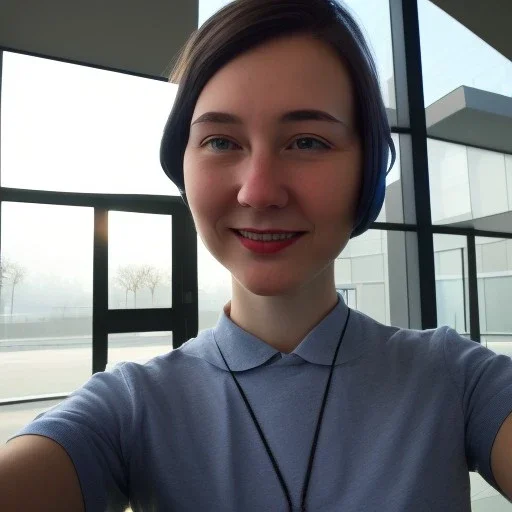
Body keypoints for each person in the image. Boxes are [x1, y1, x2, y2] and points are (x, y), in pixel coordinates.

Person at [2, 0, 512, 510]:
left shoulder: (455, 380)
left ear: (369, 172)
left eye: (307, 142)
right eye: (221, 141)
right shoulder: (129, 408)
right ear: (183, 170)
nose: (258, 192)